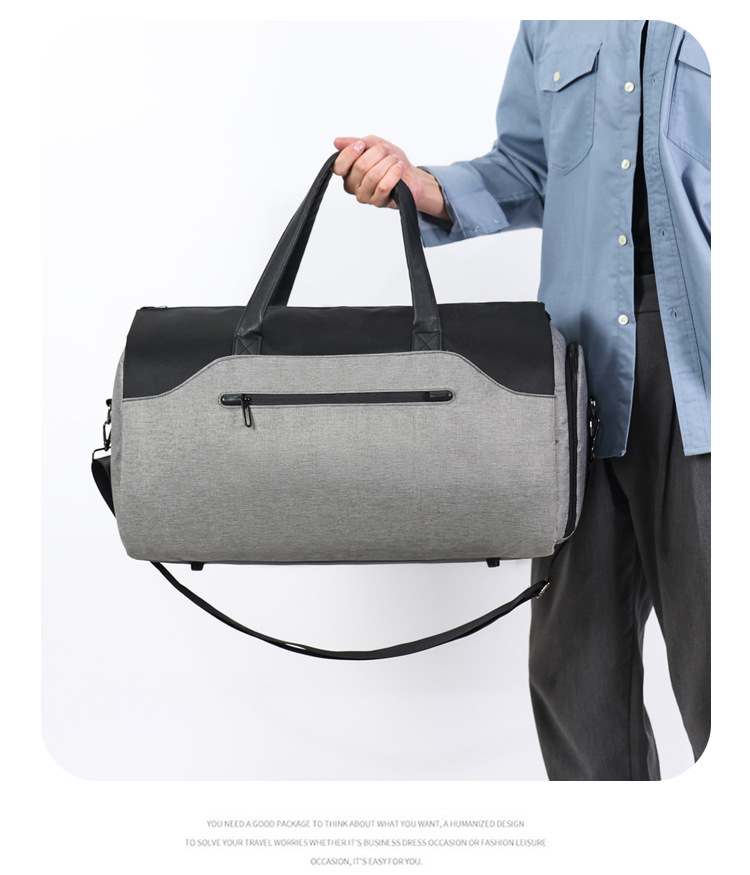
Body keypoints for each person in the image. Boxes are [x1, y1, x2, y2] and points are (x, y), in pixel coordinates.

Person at [332, 20, 710, 781]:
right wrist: (421, 186)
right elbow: (530, 168)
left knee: (719, 666)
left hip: (707, 362)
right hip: (575, 370)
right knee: (576, 676)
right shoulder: (552, 22)